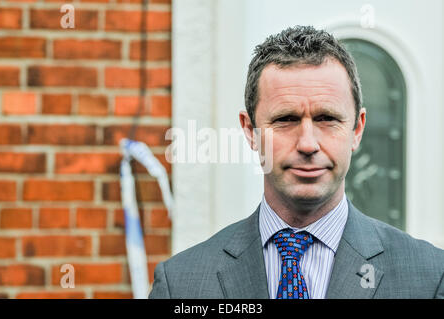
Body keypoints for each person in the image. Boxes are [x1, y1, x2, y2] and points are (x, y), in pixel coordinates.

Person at [149, 26, 444, 299]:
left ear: (357, 129)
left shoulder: (429, 278)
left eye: (327, 118)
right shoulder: (181, 285)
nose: (307, 143)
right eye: (285, 119)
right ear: (250, 131)